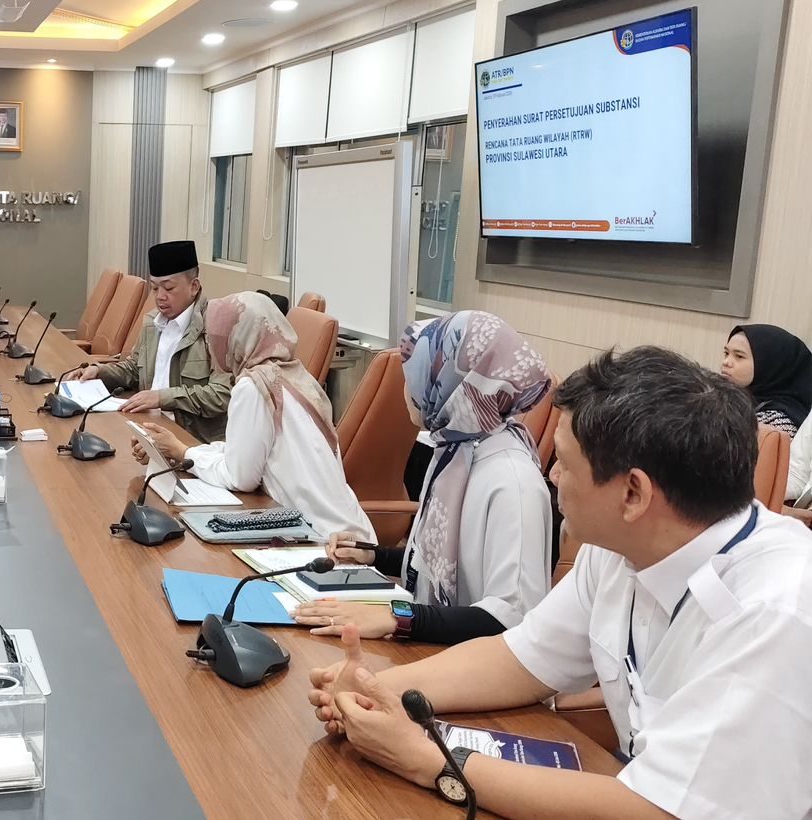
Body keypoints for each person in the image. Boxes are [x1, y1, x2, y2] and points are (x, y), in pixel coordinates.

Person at [307, 346, 812, 819]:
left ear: (633, 494)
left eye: (564, 464)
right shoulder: (622, 546)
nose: (550, 476)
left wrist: (425, 760)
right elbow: (522, 660)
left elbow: (660, 810)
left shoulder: (775, 610)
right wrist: (377, 690)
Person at [292, 311, 552, 645]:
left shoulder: (513, 483)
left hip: (469, 663)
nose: (406, 389)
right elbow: (449, 566)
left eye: (412, 377)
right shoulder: (456, 450)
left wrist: (397, 618)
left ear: (449, 385)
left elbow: (511, 618)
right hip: (436, 646)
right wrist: (375, 555)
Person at [130, 291, 375, 541]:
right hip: (353, 533)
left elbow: (240, 478)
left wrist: (184, 453)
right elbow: (246, 452)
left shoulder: (253, 386)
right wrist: (178, 449)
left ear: (234, 339)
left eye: (213, 339)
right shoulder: (296, 376)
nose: (211, 348)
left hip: (322, 541)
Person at [71, 240, 231, 444]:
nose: (160, 297)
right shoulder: (153, 322)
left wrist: (162, 398)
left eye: (169, 288)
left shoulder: (215, 328)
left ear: (194, 286)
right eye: (155, 289)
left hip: (190, 440)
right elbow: (135, 369)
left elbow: (222, 395)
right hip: (147, 425)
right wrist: (100, 372)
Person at [719, 323, 812, 435]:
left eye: (739, 356)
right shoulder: (733, 401)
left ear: (769, 365)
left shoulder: (776, 423)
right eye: (726, 353)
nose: (726, 362)